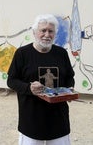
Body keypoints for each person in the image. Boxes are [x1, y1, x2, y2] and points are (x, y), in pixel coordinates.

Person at [7, 14, 75, 145]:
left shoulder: (61, 53)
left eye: (51, 31)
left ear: (55, 34)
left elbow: (69, 76)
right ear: (34, 32)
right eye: (43, 30)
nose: (47, 34)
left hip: (58, 119)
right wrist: (29, 88)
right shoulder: (22, 53)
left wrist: (69, 89)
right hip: (31, 119)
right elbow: (11, 80)